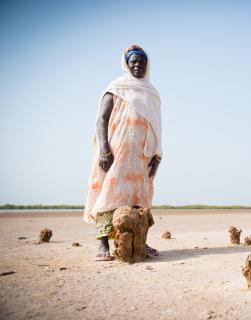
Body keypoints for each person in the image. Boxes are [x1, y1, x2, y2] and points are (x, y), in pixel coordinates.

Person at [84, 45, 162, 261]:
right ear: (126, 64)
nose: (137, 65)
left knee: (139, 199)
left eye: (141, 62)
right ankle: (103, 244)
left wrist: (157, 155)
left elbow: (158, 126)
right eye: (133, 62)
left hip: (142, 155)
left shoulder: (152, 93)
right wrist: (103, 149)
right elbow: (101, 119)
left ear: (147, 66)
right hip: (116, 150)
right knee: (109, 194)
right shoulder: (116, 87)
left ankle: (139, 242)